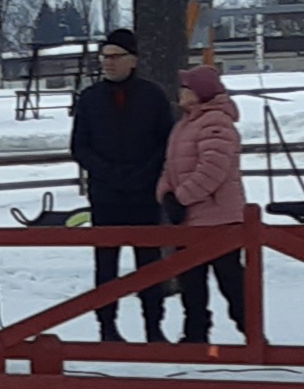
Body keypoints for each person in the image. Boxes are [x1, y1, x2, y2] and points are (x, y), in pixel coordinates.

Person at [67, 27, 175, 342]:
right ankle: (107, 327)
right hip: (106, 196)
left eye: (116, 56)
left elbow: (165, 142)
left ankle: (154, 327)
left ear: (133, 60)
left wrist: (142, 174)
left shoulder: (152, 95)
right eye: (105, 57)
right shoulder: (89, 98)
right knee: (106, 266)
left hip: (144, 195)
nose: (109, 63)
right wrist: (108, 173)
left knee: (149, 265)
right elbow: (80, 147)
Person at [157, 66, 249, 342]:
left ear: (200, 92)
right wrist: (165, 194)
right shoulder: (186, 123)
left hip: (218, 217)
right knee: (191, 281)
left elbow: (213, 168)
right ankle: (196, 334)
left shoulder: (216, 122)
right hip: (190, 217)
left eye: (186, 87)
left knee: (231, 281)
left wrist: (181, 197)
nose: (181, 92)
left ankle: (252, 332)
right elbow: (170, 166)